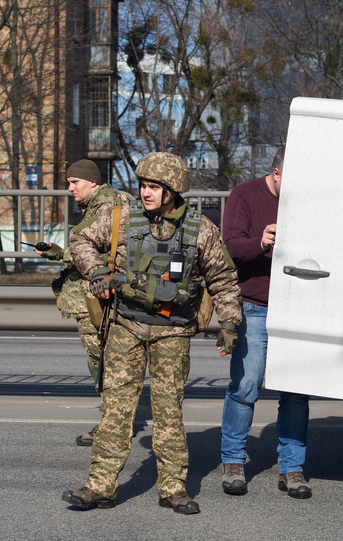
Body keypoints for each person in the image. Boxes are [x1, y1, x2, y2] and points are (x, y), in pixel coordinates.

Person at [62, 152, 242, 515]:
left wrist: (229, 324)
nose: (145, 193)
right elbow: (78, 240)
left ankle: (173, 489)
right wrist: (96, 271)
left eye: (154, 187)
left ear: (172, 191)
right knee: (116, 410)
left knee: (168, 413)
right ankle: (100, 486)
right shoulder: (122, 218)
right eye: (143, 185)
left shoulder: (200, 230)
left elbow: (223, 279)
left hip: (172, 332)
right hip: (126, 325)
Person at [219, 145, 312, 499]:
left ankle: (292, 468)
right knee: (245, 387)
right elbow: (230, 247)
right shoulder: (244, 195)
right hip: (256, 307)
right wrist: (260, 241)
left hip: (298, 309)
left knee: (296, 393)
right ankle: (232, 462)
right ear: (276, 174)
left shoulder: (307, 200)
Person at [35, 159, 131, 446]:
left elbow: (108, 255)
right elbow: (93, 250)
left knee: (102, 359)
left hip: (99, 295)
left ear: (92, 182)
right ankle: (115, 420)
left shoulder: (109, 207)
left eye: (75, 182)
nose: (70, 188)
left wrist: (64, 255)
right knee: (104, 358)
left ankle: (113, 425)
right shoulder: (105, 204)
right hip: (97, 293)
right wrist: (60, 253)